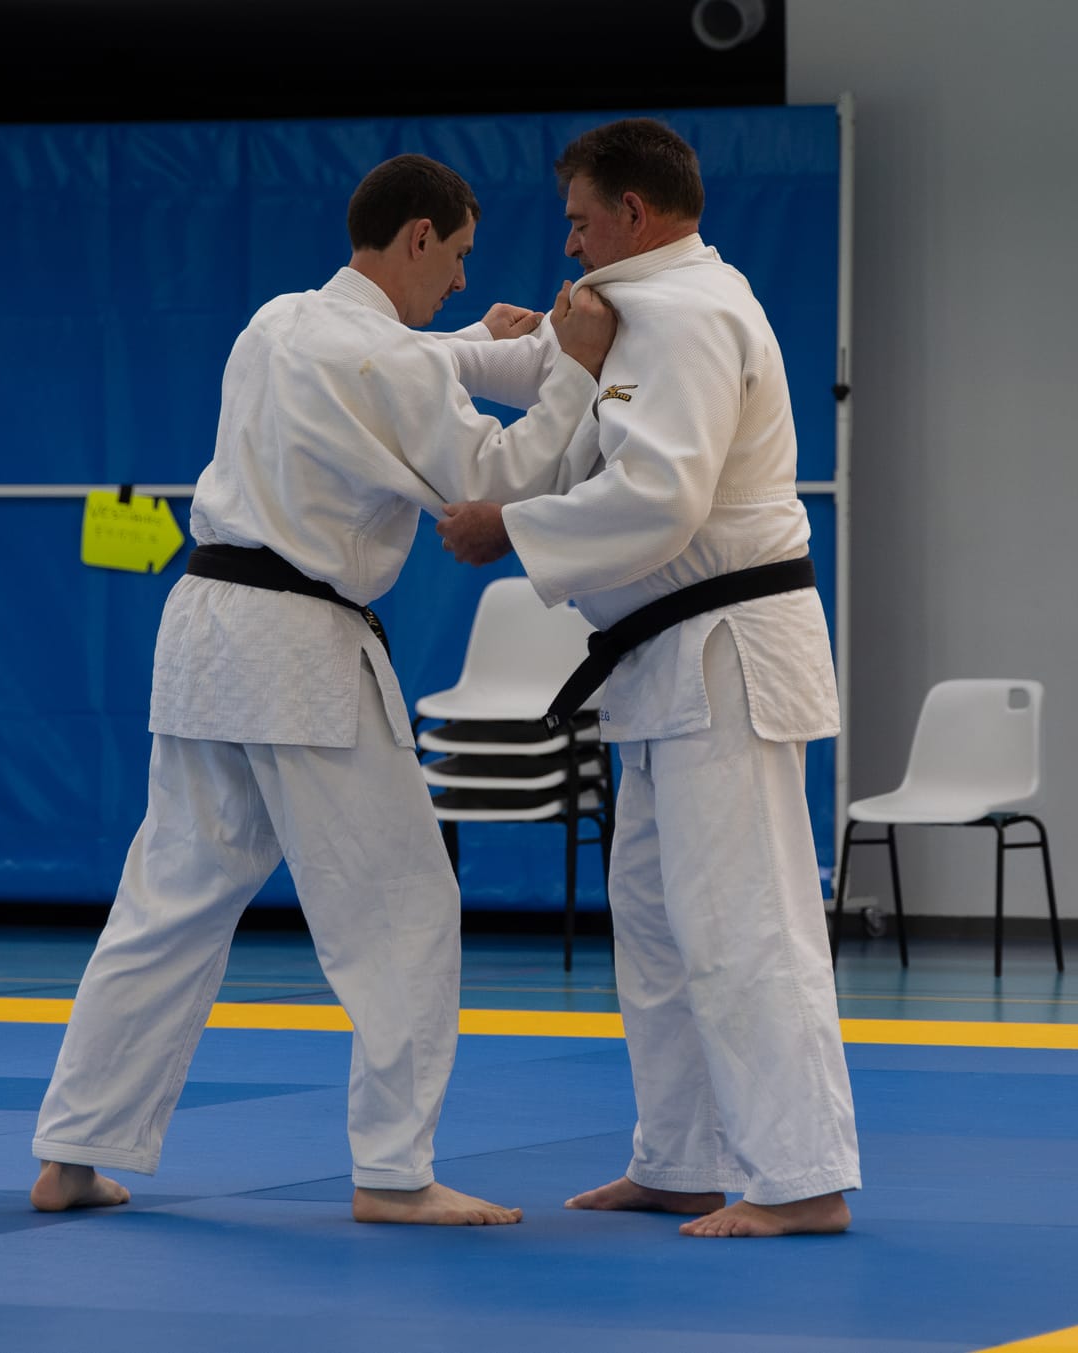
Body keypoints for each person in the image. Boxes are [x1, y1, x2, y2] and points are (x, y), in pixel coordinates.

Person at [29, 154, 618, 1224]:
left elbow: (406, 361)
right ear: (418, 237)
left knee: (169, 899)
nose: (461, 278)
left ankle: (73, 1151)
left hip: (202, 629)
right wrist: (572, 372)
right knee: (403, 907)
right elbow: (494, 480)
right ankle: (395, 1172)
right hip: (297, 644)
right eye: (457, 255)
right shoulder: (390, 362)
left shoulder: (278, 321)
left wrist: (496, 343)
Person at [439, 118, 859, 1238]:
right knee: (660, 923)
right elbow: (527, 364)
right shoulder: (628, 310)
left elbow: (660, 498)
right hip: (666, 662)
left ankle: (800, 1179)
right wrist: (369, 344)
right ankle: (679, 1160)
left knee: (743, 921)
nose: (567, 244)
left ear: (633, 212)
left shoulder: (686, 314)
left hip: (723, 654)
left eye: (579, 221)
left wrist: (510, 525)